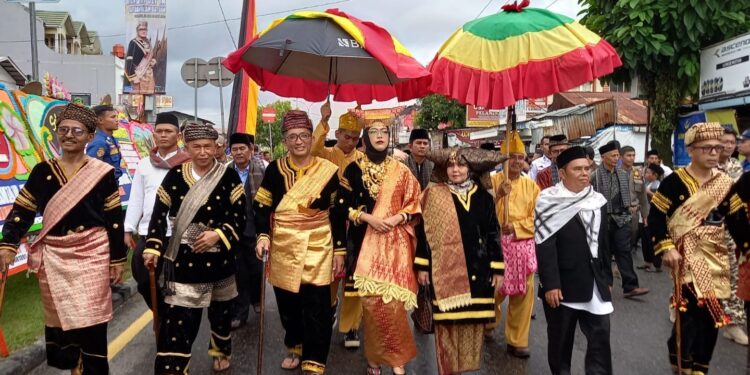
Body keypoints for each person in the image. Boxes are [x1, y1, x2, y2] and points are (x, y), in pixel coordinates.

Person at [0, 103, 126, 374]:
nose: (69, 135)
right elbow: (22, 211)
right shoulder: (42, 172)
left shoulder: (102, 174)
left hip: (92, 253)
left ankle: (93, 366)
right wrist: (8, 243)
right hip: (54, 255)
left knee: (92, 319)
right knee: (61, 319)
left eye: (77, 131)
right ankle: (73, 362)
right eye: (63, 130)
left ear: (90, 136)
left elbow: (114, 219)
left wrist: (117, 259)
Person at [142, 121, 246, 373]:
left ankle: (220, 349)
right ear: (186, 147)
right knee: (179, 319)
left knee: (220, 314)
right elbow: (158, 214)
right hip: (184, 260)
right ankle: (174, 365)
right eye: (196, 146)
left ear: (216, 147)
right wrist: (153, 247)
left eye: (207, 146)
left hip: (220, 258)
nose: (202, 152)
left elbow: (240, 215)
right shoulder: (175, 176)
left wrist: (219, 235)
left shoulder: (228, 175)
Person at [649, 122, 750, 374]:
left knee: (713, 317)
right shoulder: (674, 182)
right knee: (693, 311)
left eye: (717, 148)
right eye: (707, 148)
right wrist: (666, 247)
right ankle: (683, 361)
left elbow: (738, 222)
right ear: (691, 150)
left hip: (717, 257)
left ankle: (700, 366)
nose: (714, 153)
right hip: (685, 254)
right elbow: (656, 218)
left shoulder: (725, 183)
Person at [253, 110, 345, 374]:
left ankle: (314, 360)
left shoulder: (327, 171)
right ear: (285, 140)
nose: (299, 141)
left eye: (304, 135)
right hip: (284, 243)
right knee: (288, 302)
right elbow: (262, 206)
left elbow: (337, 213)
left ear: (311, 137)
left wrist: (340, 249)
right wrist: (263, 235)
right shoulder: (274, 169)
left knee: (317, 302)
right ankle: (295, 345)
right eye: (292, 137)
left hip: (319, 240)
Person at [337, 120, 421, 375]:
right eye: (373, 132)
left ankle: (396, 357)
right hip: (363, 243)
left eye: (384, 131)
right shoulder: (352, 169)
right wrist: (368, 218)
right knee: (372, 306)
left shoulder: (402, 170)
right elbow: (342, 205)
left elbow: (415, 201)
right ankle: (374, 357)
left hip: (395, 245)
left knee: (393, 303)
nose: (380, 135)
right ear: (365, 139)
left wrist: (398, 218)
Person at [415, 147, 505, 374]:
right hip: (444, 273)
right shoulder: (433, 195)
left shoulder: (483, 196)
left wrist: (497, 268)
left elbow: (493, 232)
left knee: (472, 327)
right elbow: (423, 232)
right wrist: (422, 265)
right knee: (446, 327)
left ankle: (463, 369)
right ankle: (448, 370)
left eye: (461, 165)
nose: (455, 170)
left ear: (470, 169)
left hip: (479, 269)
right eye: (451, 166)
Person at [535, 146, 613, 375]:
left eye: (587, 168)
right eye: (577, 169)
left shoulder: (597, 200)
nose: (584, 173)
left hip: (595, 282)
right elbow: (545, 245)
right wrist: (550, 284)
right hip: (563, 286)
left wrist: (607, 276)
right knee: (560, 345)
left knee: (600, 340)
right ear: (562, 173)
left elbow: (604, 243)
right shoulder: (548, 201)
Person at [311, 102, 366, 348]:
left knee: (354, 275)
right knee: (330, 272)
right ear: (337, 134)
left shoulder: (363, 160)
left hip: (355, 222)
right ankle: (329, 309)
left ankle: (351, 326)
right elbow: (311, 150)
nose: (351, 141)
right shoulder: (326, 153)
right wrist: (324, 120)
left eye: (355, 138)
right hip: (329, 221)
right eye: (347, 136)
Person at [125, 112, 189, 311]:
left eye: (168, 131)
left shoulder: (188, 163)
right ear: (154, 135)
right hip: (148, 231)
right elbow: (136, 198)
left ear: (178, 136)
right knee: (143, 279)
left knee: (176, 283)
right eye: (159, 131)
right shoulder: (144, 164)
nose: (163, 135)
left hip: (178, 233)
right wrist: (128, 228)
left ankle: (171, 321)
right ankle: (160, 314)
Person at [487, 131, 540, 358]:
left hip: (522, 246)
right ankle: (488, 320)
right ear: (503, 159)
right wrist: (498, 195)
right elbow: (479, 212)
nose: (517, 161)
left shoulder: (532, 187)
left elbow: (539, 218)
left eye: (521, 157)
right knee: (494, 290)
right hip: (497, 247)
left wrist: (517, 228)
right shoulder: (491, 181)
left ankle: (517, 340)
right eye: (512, 157)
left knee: (523, 294)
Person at [591, 140, 649, 298]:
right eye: (613, 155)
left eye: (617, 155)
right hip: (602, 218)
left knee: (624, 251)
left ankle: (630, 286)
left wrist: (643, 215)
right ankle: (606, 284)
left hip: (622, 217)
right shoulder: (594, 176)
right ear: (604, 157)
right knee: (605, 253)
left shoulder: (624, 174)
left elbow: (641, 195)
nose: (616, 158)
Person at [227, 133, 266, 329]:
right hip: (234, 231)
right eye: (235, 149)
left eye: (242, 148)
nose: (239, 152)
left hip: (256, 229)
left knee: (257, 270)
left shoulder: (262, 169)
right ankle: (240, 313)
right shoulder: (225, 172)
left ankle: (256, 298)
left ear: (250, 149)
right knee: (239, 272)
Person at [716, 127, 749, 346]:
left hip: (732, 232)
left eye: (731, 142)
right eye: (724, 142)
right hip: (705, 232)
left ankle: (732, 323)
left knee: (734, 276)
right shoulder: (702, 168)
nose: (728, 146)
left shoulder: (737, 167)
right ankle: (678, 306)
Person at [637, 163, 664, 273]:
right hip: (644, 215)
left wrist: (648, 192)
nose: (646, 174)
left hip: (655, 217)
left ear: (655, 175)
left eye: (648, 172)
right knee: (645, 240)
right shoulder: (647, 183)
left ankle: (656, 265)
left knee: (653, 241)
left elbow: (661, 200)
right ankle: (647, 262)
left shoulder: (659, 185)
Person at [87, 105, 126, 179]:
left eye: (117, 116)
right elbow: (92, 171)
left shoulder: (112, 139)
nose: (117, 120)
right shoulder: (98, 142)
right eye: (113, 117)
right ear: (100, 120)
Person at [620, 145, 643, 254]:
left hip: (634, 212)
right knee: (621, 239)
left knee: (634, 234)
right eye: (628, 155)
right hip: (619, 212)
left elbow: (642, 196)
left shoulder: (638, 173)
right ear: (621, 157)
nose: (632, 158)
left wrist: (645, 215)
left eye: (633, 155)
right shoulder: (615, 173)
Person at [124, 21, 156, 93]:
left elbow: (150, 56)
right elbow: (129, 60)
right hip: (138, 74)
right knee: (136, 98)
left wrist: (153, 61)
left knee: (150, 97)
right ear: (137, 31)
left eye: (145, 29)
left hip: (149, 74)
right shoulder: (133, 42)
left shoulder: (148, 42)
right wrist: (133, 76)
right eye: (141, 29)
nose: (143, 31)